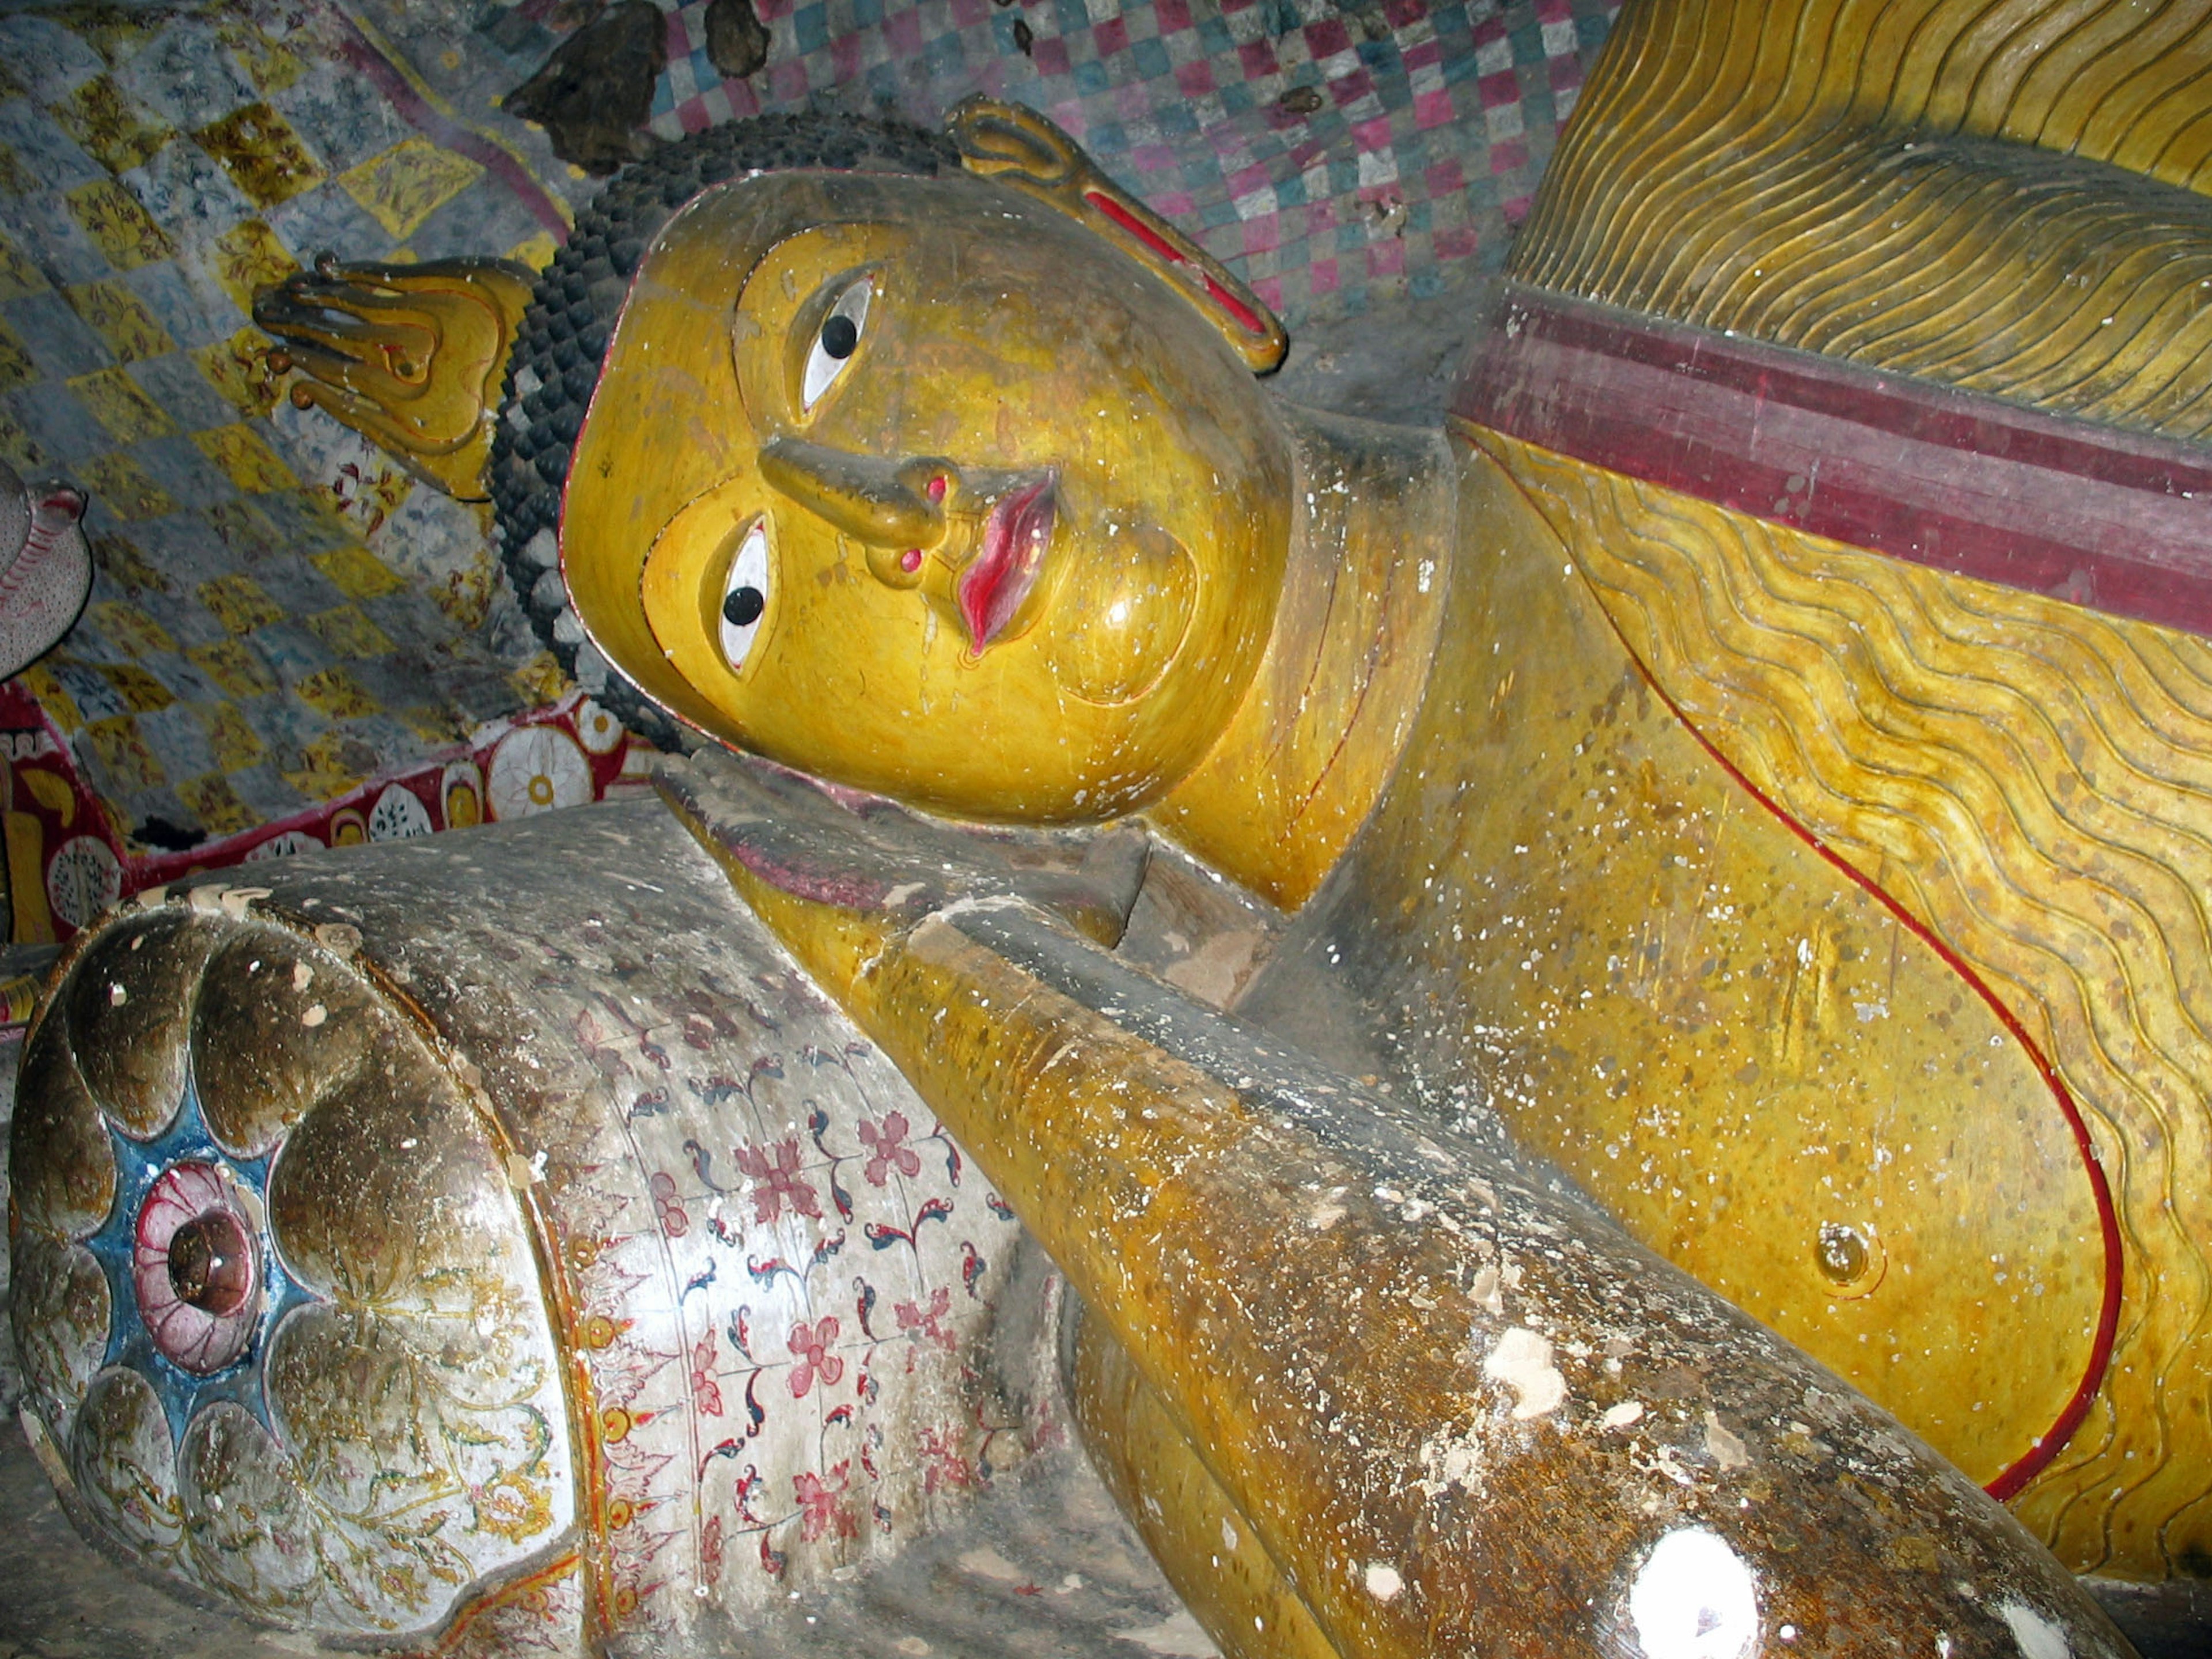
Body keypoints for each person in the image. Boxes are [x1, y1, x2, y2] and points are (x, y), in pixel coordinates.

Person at [241, 29, 2212, 1645]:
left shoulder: (1727, 144)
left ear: (1113, 231)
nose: (886, 512)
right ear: (861, 792)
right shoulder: (1269, 1263)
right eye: (746, 603)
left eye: (837, 338)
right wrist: (953, 975)